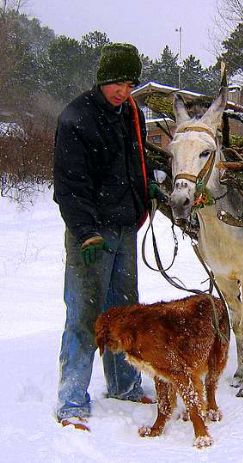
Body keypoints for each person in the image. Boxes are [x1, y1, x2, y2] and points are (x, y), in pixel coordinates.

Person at [53, 43, 161, 431]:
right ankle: (71, 400)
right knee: (85, 314)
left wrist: (150, 191)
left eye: (129, 83)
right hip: (90, 237)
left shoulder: (131, 114)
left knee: (125, 310)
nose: (123, 90)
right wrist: (85, 234)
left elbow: (137, 165)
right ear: (102, 79)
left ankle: (124, 384)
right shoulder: (76, 118)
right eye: (117, 82)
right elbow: (68, 187)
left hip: (124, 228)